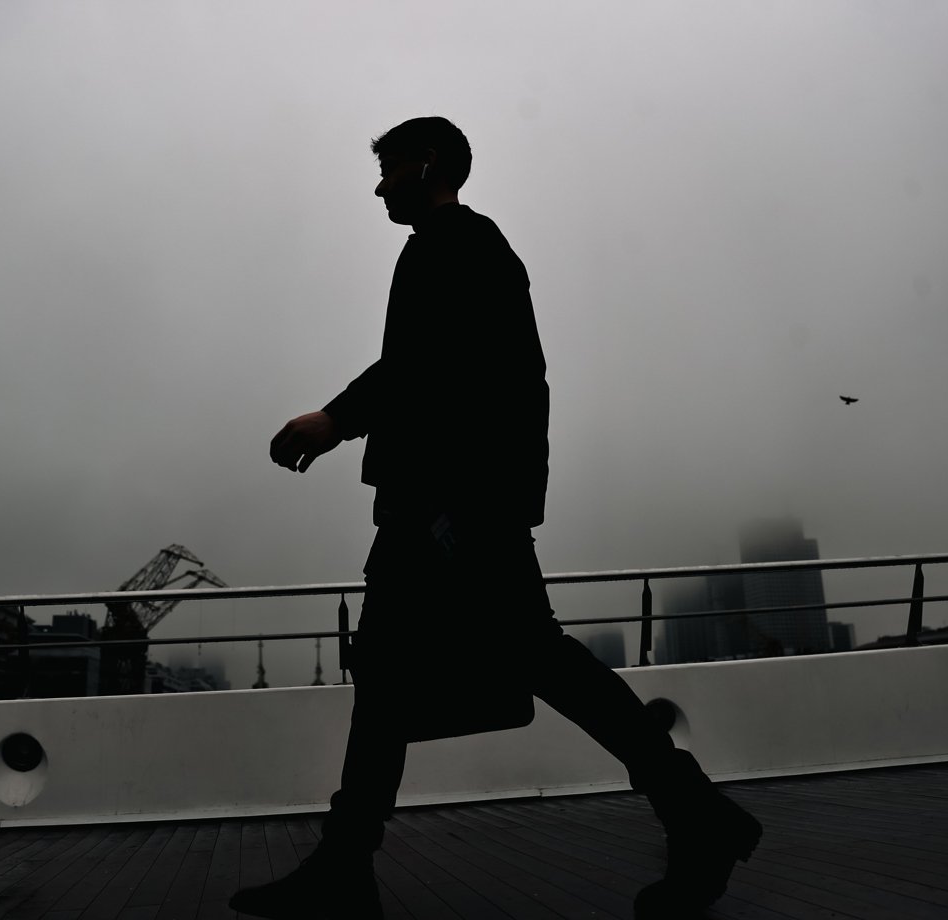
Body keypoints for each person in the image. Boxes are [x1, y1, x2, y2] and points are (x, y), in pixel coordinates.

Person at [231, 116, 761, 920]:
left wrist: (335, 419)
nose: (378, 185)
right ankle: (348, 863)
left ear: (428, 163)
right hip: (451, 503)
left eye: (388, 167)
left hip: (453, 507)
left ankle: (698, 816)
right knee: (404, 671)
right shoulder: (462, 247)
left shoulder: (458, 244)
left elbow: (425, 364)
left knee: (515, 662)